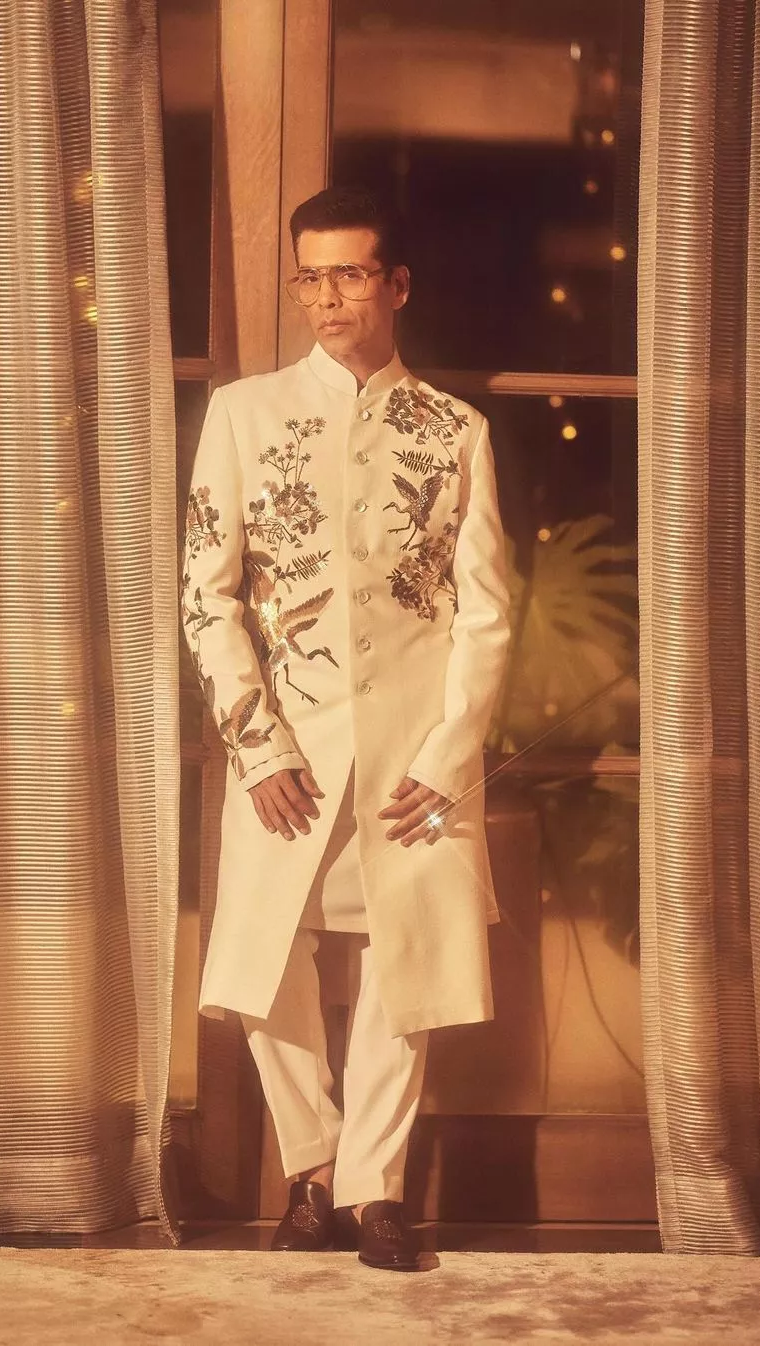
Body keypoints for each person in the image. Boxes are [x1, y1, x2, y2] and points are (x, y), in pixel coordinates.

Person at [181, 185, 510, 1271]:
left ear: (395, 284)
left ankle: (377, 1191)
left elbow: (488, 611)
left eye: (351, 274)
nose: (327, 298)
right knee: (264, 958)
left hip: (416, 753)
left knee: (404, 967)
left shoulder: (455, 432)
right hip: (287, 746)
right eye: (310, 277)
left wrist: (450, 754)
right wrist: (256, 741)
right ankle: (310, 1168)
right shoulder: (244, 413)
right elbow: (207, 595)